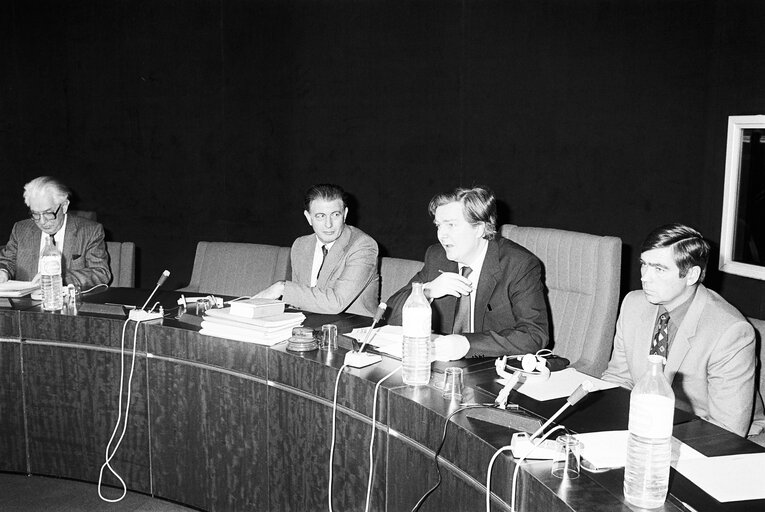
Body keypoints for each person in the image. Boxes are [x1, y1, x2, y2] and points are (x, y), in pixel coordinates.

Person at [602, 224, 756, 437]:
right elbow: (618, 379)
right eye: (644, 265)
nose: (645, 277)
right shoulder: (633, 304)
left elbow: (727, 431)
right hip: (645, 427)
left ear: (691, 275)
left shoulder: (731, 332)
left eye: (659, 269)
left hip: (707, 436)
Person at [386, 186, 549, 360]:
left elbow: (534, 335)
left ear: (479, 228)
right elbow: (390, 315)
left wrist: (467, 344)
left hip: (493, 368)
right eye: (438, 226)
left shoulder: (518, 264)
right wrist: (426, 292)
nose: (441, 235)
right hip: (444, 368)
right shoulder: (437, 256)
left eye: (451, 225)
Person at [254, 184, 379, 316]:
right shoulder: (300, 245)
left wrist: (282, 288)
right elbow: (299, 301)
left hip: (354, 328)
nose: (328, 224)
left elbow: (336, 303)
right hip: (307, 327)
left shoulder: (363, 246)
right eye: (320, 216)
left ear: (345, 214)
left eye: (335, 215)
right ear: (309, 217)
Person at [0, 176, 111, 290]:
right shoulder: (21, 229)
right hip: (25, 302)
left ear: (64, 206)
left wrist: (59, 278)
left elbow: (101, 273)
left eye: (48, 213)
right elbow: (8, 261)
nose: (42, 221)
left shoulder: (90, 231)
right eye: (36, 214)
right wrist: (3, 271)